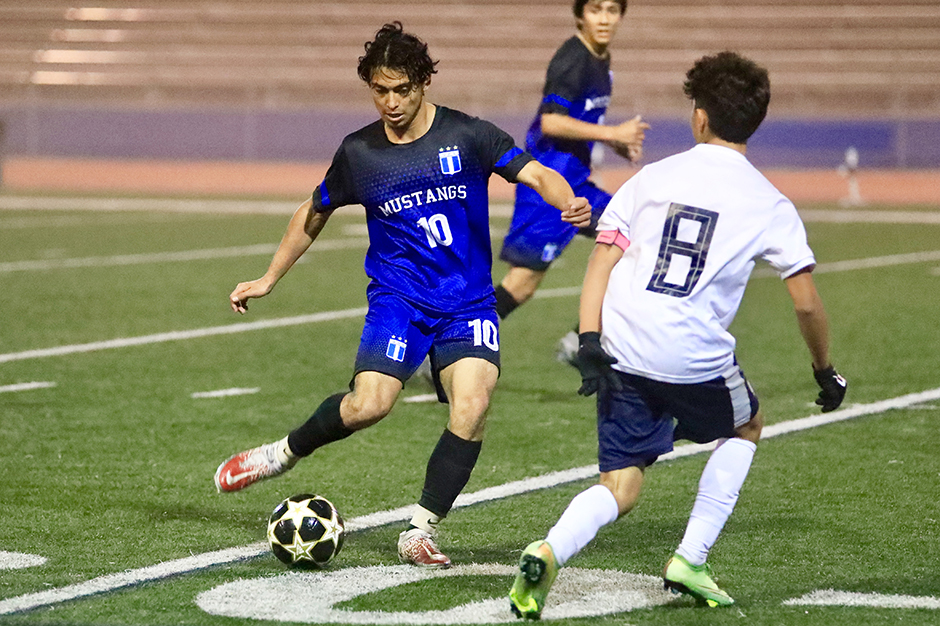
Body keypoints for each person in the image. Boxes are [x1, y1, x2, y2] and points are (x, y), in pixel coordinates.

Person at [213, 22, 591, 569]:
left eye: (402, 90)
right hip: (400, 300)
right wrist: (270, 277)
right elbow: (313, 212)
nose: (391, 102)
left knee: (474, 403)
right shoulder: (360, 153)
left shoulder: (468, 136)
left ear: (424, 83)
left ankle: (419, 530)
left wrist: (568, 201)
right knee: (369, 405)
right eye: (380, 90)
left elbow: (535, 173)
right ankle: (283, 453)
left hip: (467, 302)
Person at [508, 51, 847, 618]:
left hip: (621, 344)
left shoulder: (653, 177)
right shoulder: (770, 202)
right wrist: (823, 369)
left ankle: (548, 550)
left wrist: (589, 341)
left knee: (620, 484)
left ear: (699, 118)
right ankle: (690, 557)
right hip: (691, 354)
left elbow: (602, 260)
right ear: (755, 121)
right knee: (747, 424)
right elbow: (806, 303)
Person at [495, 0, 649, 336]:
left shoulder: (601, 58)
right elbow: (551, 122)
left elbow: (579, 120)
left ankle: (586, 338)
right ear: (579, 15)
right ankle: (451, 346)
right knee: (521, 284)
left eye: (612, 10)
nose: (604, 19)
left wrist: (614, 143)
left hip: (578, 185)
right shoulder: (572, 59)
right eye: (595, 10)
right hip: (549, 188)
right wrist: (612, 133)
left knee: (636, 238)